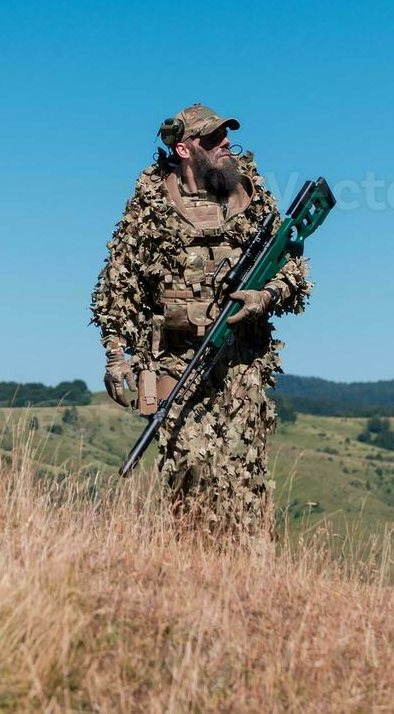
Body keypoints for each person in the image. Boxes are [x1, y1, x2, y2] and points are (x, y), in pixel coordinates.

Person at [91, 104, 312, 538]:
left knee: (242, 480)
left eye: (225, 136)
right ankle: (194, 571)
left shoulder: (249, 198)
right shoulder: (152, 204)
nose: (225, 144)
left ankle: (247, 579)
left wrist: (264, 296)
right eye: (211, 139)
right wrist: (117, 356)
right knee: (189, 472)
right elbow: (120, 285)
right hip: (176, 365)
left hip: (240, 368)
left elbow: (292, 268)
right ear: (184, 148)